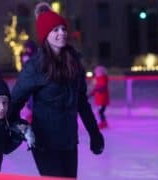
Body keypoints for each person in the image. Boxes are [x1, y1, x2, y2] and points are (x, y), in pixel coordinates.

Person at [9, 2, 104, 178]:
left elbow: (81, 102)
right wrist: (19, 127)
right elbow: (15, 102)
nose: (62, 33)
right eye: (55, 30)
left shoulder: (73, 62)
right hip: (45, 143)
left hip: (68, 141)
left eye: (63, 29)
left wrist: (94, 133)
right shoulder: (35, 66)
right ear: (45, 35)